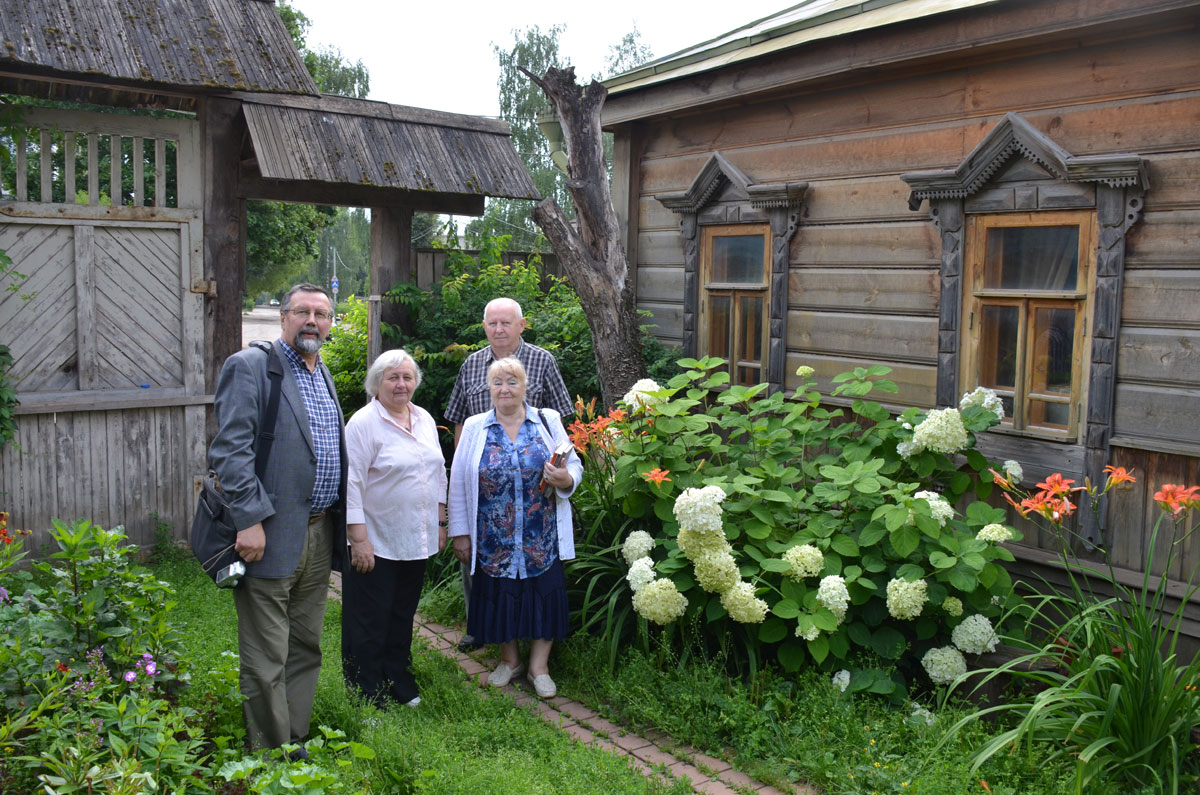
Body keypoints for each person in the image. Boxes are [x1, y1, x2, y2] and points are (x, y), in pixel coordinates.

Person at [209, 283, 346, 753]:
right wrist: (248, 520)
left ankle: (296, 737)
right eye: (303, 311)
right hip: (268, 532)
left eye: (322, 313)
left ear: (330, 324)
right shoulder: (250, 367)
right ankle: (268, 748)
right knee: (267, 650)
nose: (312, 320)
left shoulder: (321, 371)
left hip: (318, 530)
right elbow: (230, 451)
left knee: (305, 644)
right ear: (283, 317)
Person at [448, 357, 583, 698]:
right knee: (499, 597)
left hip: (540, 534)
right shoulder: (476, 426)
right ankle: (510, 661)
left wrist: (565, 478)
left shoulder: (546, 421)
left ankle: (539, 667)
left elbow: (574, 466)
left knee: (544, 596)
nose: (505, 389)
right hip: (494, 537)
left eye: (512, 382)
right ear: (489, 389)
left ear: (526, 387)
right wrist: (459, 531)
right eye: (498, 383)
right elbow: (459, 482)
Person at [445, 297, 573, 651]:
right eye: (492, 323)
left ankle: (532, 647)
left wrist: (560, 472)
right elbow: (458, 418)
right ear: (484, 326)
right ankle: (481, 630)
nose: (498, 329)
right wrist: (466, 470)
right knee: (480, 566)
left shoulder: (542, 361)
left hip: (534, 494)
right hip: (485, 491)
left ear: (521, 325)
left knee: (534, 571)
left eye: (506, 323)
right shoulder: (471, 365)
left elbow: (562, 416)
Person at [342, 349, 446, 708]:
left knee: (402, 615)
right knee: (369, 620)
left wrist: (441, 521)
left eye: (407, 377)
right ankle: (365, 691)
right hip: (376, 541)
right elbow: (351, 484)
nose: (401, 384)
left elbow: (439, 472)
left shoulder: (424, 419)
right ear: (377, 382)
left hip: (415, 538)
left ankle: (398, 679)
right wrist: (358, 540)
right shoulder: (363, 423)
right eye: (393, 377)